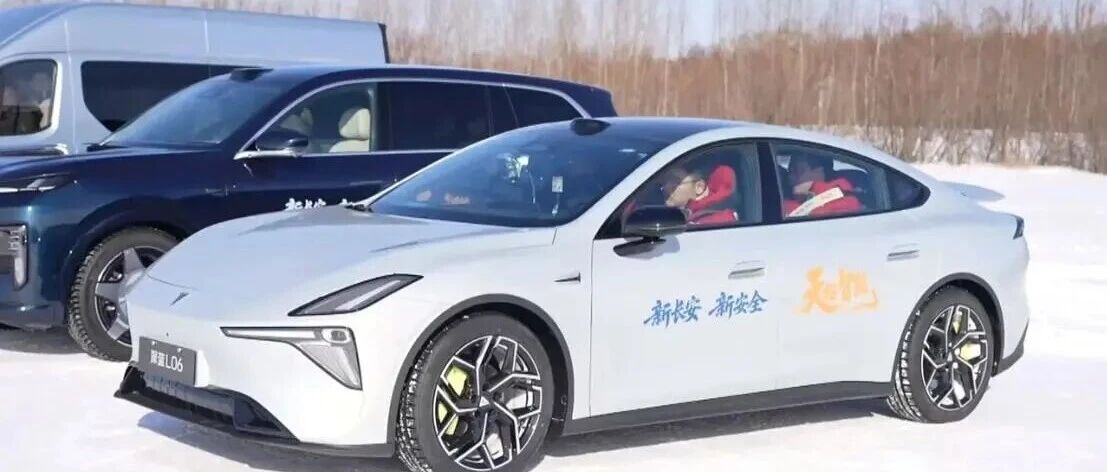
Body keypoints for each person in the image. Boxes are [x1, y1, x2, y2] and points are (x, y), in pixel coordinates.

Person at [782, 153, 862, 218]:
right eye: (789, 171)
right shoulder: (790, 196)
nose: (790, 176)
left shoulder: (844, 201)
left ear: (818, 172)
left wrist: (813, 187)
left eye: (796, 171)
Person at [661, 164, 739, 225]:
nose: (665, 187)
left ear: (699, 187)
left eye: (675, 181)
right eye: (663, 182)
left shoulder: (718, 220)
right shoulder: (690, 216)